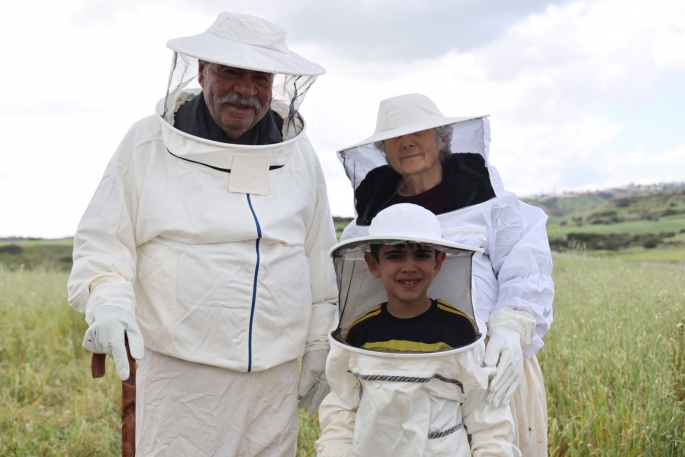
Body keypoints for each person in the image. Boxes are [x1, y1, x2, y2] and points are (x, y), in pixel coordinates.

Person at [67, 13, 338, 456]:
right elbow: (105, 239)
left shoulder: (299, 155)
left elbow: (317, 255)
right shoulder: (147, 143)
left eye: (260, 77)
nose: (246, 90)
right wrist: (109, 302)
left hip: (274, 376)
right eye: (231, 71)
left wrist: (319, 341)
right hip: (183, 377)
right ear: (201, 71)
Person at [337, 94, 553, 456]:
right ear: (383, 150)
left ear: (442, 139)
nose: (406, 142)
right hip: (396, 362)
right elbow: (355, 296)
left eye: (419, 132)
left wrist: (511, 330)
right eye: (394, 137)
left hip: (487, 358)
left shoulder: (492, 204)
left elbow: (525, 268)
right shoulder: (368, 221)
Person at [316, 203, 522, 457]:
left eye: (422, 255)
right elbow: (342, 408)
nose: (409, 267)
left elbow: (486, 417)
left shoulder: (459, 330)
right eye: (395, 256)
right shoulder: (360, 333)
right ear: (373, 264)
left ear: (438, 262)